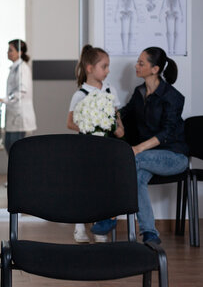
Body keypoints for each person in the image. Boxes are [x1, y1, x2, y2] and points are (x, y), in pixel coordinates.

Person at [120, 47, 188, 244]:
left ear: (155, 69)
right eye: (137, 62)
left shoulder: (173, 97)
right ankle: (150, 233)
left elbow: (167, 133)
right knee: (138, 178)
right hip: (148, 158)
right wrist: (106, 111)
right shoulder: (139, 92)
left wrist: (138, 148)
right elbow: (125, 114)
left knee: (135, 159)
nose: (136, 66)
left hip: (174, 157)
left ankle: (109, 217)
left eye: (141, 63)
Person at [67, 45, 124, 243]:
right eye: (104, 66)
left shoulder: (110, 90)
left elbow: (117, 118)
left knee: (105, 186)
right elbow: (69, 123)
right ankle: (80, 225)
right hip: (86, 148)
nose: (108, 71)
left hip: (107, 148)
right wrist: (90, 127)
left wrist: (117, 128)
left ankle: (101, 227)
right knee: (85, 186)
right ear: (90, 68)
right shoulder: (80, 94)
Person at [0, 39, 37, 155]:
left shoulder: (22, 68)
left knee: (16, 149)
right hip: (14, 115)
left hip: (19, 116)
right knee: (9, 146)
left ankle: (22, 173)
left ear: (20, 52)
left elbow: (21, 91)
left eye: (10, 50)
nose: (8, 52)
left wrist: (6, 100)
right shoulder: (15, 67)